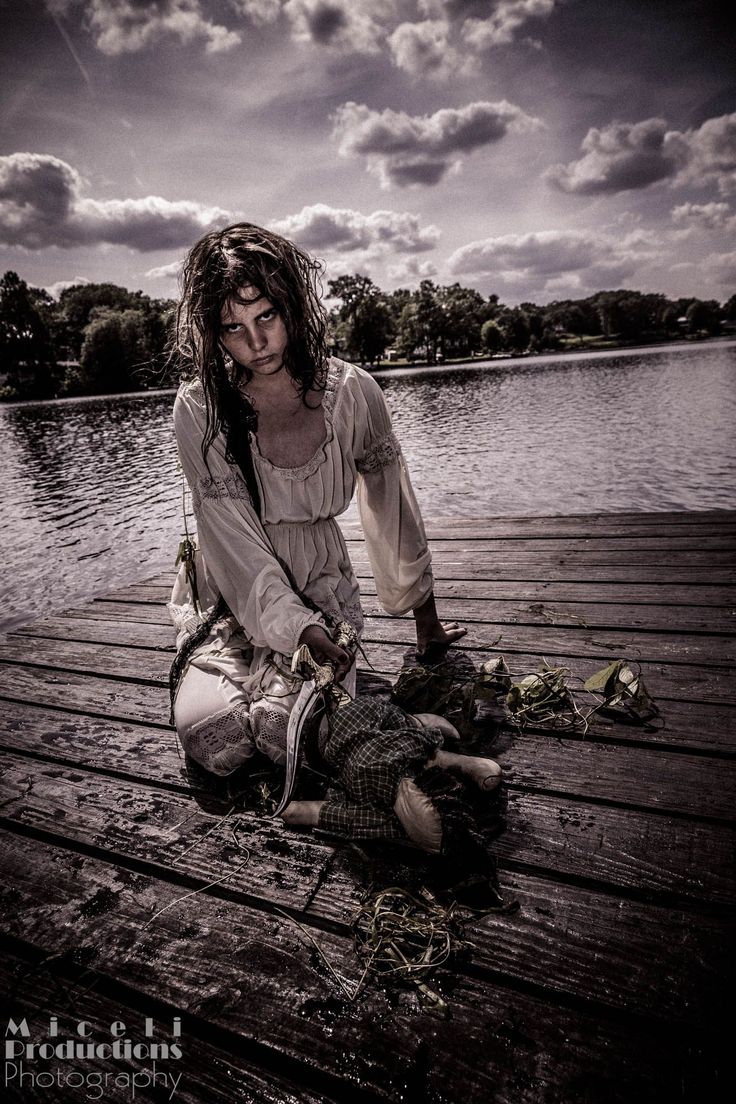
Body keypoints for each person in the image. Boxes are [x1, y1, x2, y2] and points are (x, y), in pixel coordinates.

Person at [167, 222, 501, 850]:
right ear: (211, 333)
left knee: (275, 731)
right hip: (237, 599)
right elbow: (235, 548)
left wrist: (423, 621)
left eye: (267, 315)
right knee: (213, 739)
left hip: (322, 589)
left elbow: (393, 510)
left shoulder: (351, 394)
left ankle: (383, 729)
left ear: (293, 306)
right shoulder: (201, 411)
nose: (257, 341)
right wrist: (293, 630)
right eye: (233, 328)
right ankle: (380, 719)